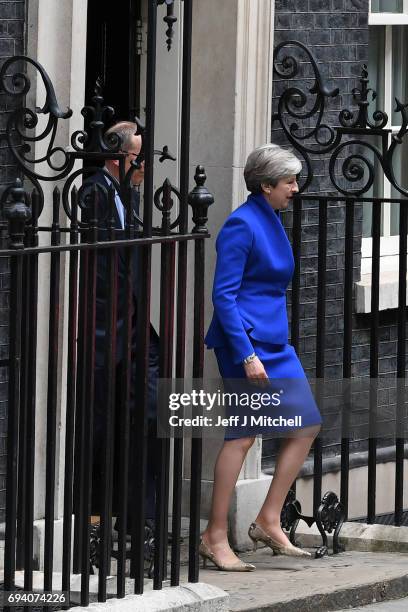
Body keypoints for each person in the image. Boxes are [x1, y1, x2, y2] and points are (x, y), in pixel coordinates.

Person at [202, 144, 322, 571]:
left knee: (306, 424)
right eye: (288, 181)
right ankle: (214, 536)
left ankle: (269, 518)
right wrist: (248, 355)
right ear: (266, 185)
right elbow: (224, 296)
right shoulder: (241, 224)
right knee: (242, 435)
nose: (295, 188)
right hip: (246, 345)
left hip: (276, 341)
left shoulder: (271, 218)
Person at [81, 121, 159, 538]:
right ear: (117, 157)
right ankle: (89, 515)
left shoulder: (127, 195)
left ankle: (139, 516)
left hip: (132, 330)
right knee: (96, 422)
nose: (145, 164)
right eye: (139, 157)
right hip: (101, 331)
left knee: (146, 413)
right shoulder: (92, 193)